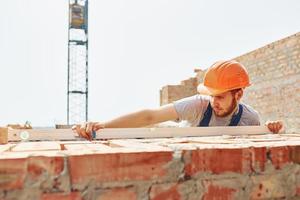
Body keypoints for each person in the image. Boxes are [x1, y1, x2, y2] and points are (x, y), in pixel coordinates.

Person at [74, 60, 283, 140]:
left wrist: (270, 130)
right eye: (211, 96)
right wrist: (103, 125)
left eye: (219, 97)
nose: (213, 102)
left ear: (238, 95)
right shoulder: (200, 105)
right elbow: (150, 116)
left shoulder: (251, 118)